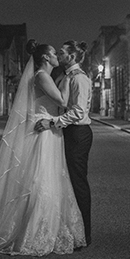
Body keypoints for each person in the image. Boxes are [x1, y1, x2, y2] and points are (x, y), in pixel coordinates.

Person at [0, 39, 86, 256]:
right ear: (46, 57)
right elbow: (64, 102)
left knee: (46, 177)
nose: (58, 56)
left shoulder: (43, 76)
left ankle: (43, 224)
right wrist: (71, 77)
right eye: (55, 53)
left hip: (48, 128)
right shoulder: (42, 76)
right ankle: (36, 229)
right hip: (43, 130)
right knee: (40, 177)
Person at [35, 40, 93, 246]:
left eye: (62, 52)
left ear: (72, 57)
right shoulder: (63, 76)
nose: (58, 55)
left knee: (78, 182)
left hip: (78, 132)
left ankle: (84, 234)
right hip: (67, 131)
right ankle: (71, 228)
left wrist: (52, 122)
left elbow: (78, 112)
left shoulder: (79, 78)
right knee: (67, 181)